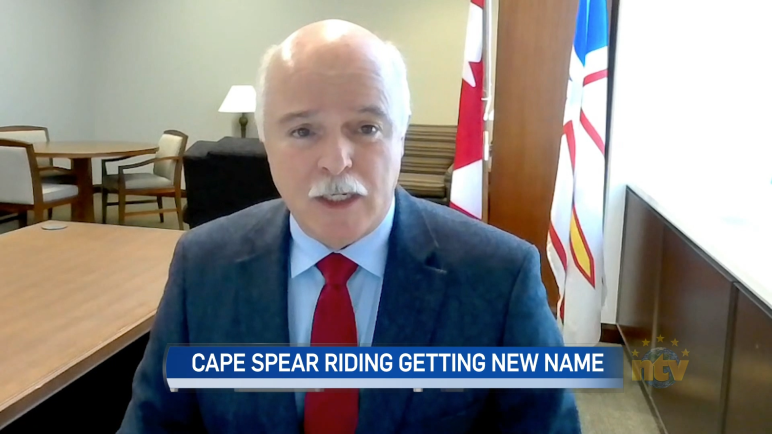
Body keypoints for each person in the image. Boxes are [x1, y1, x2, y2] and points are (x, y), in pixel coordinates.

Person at [118, 19, 581, 434]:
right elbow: (157, 423)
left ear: (401, 133)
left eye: (366, 128)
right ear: (267, 142)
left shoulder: (500, 276)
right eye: (303, 131)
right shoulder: (203, 264)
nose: (336, 162)